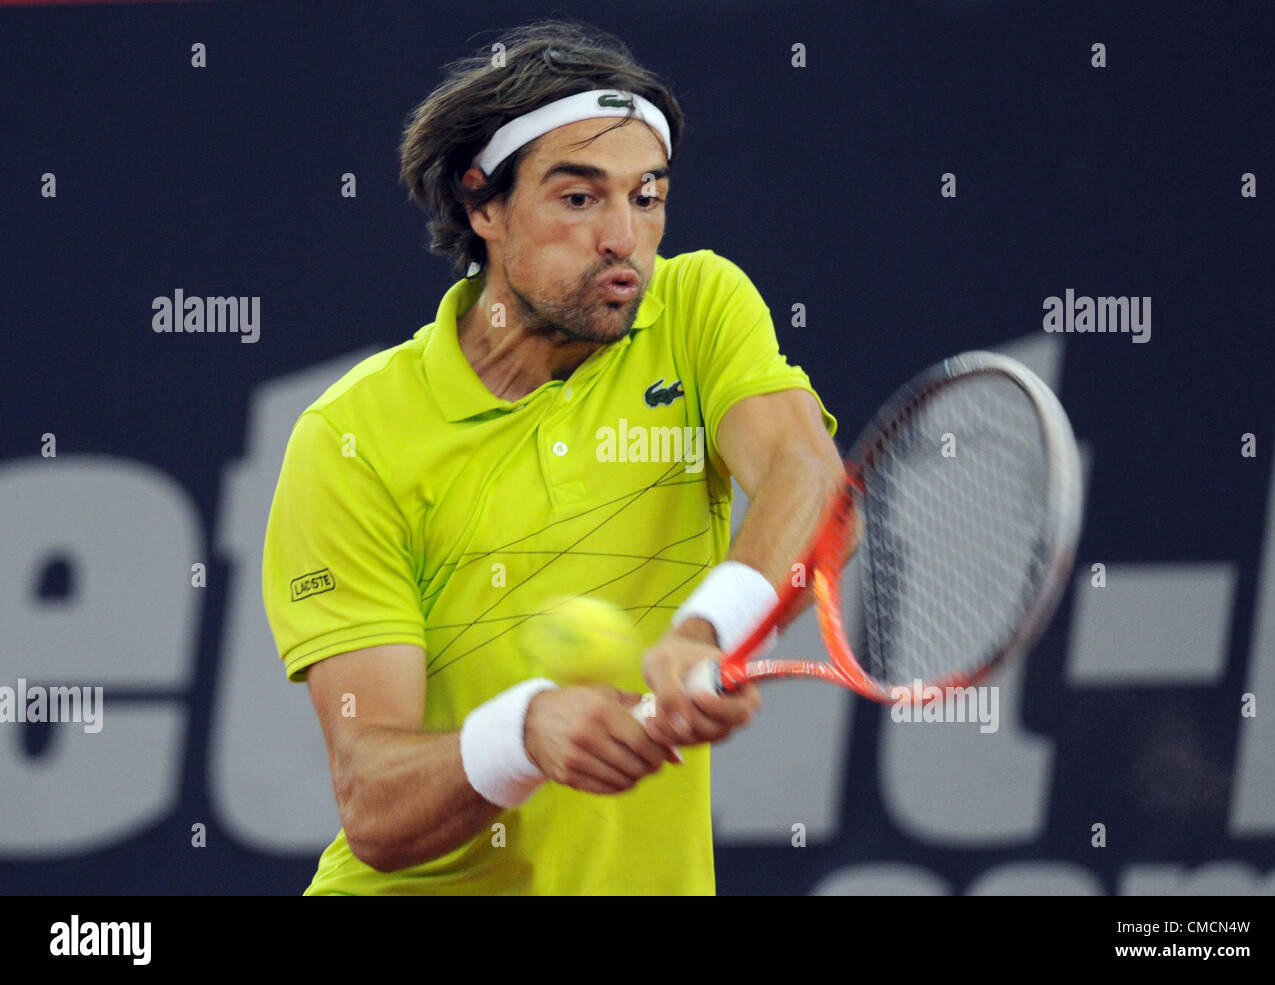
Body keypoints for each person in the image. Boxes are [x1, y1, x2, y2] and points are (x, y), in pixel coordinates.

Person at [261, 20, 842, 895]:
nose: (623, 238)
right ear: (481, 206)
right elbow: (374, 803)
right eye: (580, 199)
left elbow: (811, 480)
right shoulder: (352, 438)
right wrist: (522, 737)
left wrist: (708, 631)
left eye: (647, 197)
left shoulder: (698, 310)